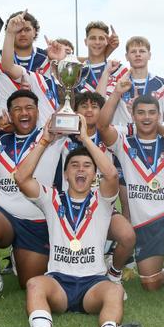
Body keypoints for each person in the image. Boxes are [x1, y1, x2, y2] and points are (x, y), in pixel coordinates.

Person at [8, 115, 142, 327]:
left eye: (87, 166)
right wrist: (43, 142)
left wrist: (85, 139)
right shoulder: (51, 198)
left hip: (93, 283)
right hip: (59, 282)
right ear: (66, 174)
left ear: (93, 175)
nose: (81, 170)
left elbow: (111, 175)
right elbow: (21, 177)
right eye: (75, 166)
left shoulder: (102, 200)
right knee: (34, 284)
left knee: (114, 291)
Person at [97, 80, 164, 314]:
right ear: (133, 116)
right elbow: (102, 125)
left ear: (159, 115)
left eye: (152, 113)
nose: (146, 118)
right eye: (141, 113)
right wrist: (116, 93)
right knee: (151, 285)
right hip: (143, 225)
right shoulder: (124, 143)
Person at [0, 89, 65, 302]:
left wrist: (68, 94)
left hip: (36, 220)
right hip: (2, 212)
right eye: (17, 109)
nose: (24, 113)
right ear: (10, 115)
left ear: (38, 112)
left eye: (29, 108)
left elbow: (70, 115)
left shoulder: (53, 137)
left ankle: (17, 254)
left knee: (28, 282)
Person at [60, 91, 136, 294]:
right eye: (84, 106)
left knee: (127, 235)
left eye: (95, 106)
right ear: (75, 112)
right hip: (70, 210)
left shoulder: (111, 137)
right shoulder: (62, 138)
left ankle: (114, 274)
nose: (89, 110)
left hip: (102, 207)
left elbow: (144, 125)